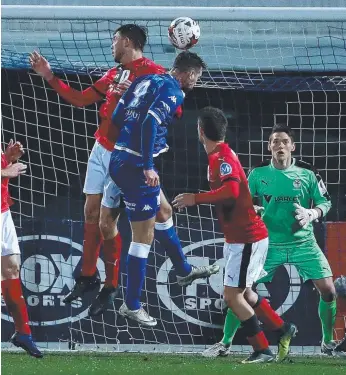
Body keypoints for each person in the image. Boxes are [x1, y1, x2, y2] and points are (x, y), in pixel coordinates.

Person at [29, 24, 167, 316]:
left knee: (108, 223)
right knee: (90, 213)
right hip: (100, 149)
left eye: (115, 40)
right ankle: (88, 276)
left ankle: (111, 285)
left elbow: (169, 112)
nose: (112, 45)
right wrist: (49, 76)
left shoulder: (155, 74)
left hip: (125, 155)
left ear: (127, 42)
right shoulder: (115, 74)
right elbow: (80, 100)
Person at [173, 108, 296, 364]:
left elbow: (231, 190)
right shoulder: (219, 155)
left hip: (247, 238)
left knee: (232, 296)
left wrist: (194, 198)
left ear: (200, 131)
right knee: (246, 293)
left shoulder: (221, 156)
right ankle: (283, 329)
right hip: (240, 236)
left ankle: (262, 349)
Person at [109, 52, 219, 327]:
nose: (196, 81)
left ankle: (183, 270)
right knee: (142, 238)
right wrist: (146, 165)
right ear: (188, 73)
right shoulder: (174, 92)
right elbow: (150, 122)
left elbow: (116, 115)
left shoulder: (145, 80)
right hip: (137, 167)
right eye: (197, 76)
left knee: (165, 210)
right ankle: (131, 304)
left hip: (120, 157)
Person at [245, 124, 345, 357]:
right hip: (269, 244)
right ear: (269, 147)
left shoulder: (308, 172)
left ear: (292, 146)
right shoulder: (258, 173)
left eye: (284, 141)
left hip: (304, 243)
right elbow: (243, 202)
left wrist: (313, 213)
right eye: (275, 141)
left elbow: (326, 201)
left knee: (329, 290)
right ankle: (225, 343)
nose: (280, 145)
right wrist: (253, 209)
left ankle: (327, 341)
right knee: (241, 289)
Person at [1, 140, 42, 358]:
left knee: (12, 269)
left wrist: (7, 157)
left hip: (2, 210)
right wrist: (6, 170)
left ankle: (23, 333)